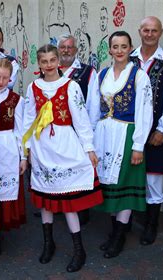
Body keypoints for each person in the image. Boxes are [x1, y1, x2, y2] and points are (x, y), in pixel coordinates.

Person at [21, 44, 102, 272]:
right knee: (45, 197)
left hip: (65, 144)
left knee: (68, 200)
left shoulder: (71, 86)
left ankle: (79, 249)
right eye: (44, 61)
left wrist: (89, 148)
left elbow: (81, 118)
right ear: (39, 64)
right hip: (42, 146)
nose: (48, 65)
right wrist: (24, 151)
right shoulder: (33, 87)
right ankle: (49, 243)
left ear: (58, 61)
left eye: (51, 60)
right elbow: (28, 120)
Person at [89, 31, 153, 258]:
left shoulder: (139, 76)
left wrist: (138, 146)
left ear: (130, 48)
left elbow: (145, 112)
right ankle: (114, 230)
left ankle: (119, 235)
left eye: (123, 46)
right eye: (115, 46)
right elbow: (93, 108)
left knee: (123, 182)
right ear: (110, 49)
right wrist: (90, 140)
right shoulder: (102, 74)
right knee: (108, 183)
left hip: (126, 135)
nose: (119, 51)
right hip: (104, 135)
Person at [129, 16, 163, 246]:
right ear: (139, 31)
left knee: (153, 181)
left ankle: (151, 225)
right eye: (146, 30)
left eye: (154, 31)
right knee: (126, 176)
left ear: (160, 33)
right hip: (128, 130)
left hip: (156, 131)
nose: (149, 34)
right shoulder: (127, 59)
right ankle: (124, 222)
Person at [57, 34, 98, 225]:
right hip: (56, 132)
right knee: (58, 168)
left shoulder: (88, 72)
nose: (66, 50)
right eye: (63, 47)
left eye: (70, 47)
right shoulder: (50, 69)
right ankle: (58, 203)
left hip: (78, 132)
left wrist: (90, 133)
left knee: (79, 170)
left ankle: (83, 210)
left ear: (76, 50)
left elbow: (93, 105)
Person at [0, 58, 26, 257]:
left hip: (8, 146)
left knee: (3, 191)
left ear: (10, 78)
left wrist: (23, 156)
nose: (1, 81)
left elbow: (20, 129)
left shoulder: (16, 100)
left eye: (5, 77)